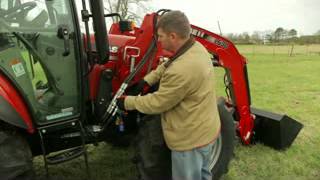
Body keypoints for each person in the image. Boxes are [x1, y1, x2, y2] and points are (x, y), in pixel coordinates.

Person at [117, 10, 221, 180]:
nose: (158, 40)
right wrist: (146, 81)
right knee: (203, 175)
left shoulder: (182, 70)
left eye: (160, 36)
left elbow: (158, 103)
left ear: (173, 36)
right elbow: (169, 64)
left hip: (190, 141)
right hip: (207, 128)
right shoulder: (196, 48)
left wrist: (128, 102)